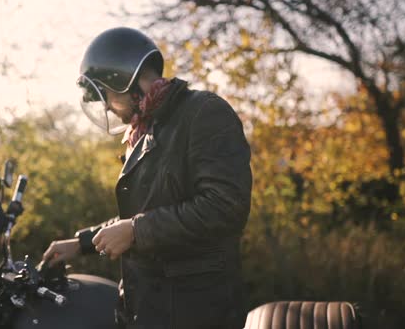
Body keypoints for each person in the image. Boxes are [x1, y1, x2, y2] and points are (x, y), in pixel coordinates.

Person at [42, 27, 252, 329]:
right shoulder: (147, 130)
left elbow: (224, 207)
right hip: (149, 308)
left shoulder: (204, 112)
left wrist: (137, 231)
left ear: (123, 80)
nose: (108, 108)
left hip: (196, 310)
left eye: (107, 96)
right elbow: (143, 212)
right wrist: (81, 243)